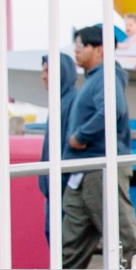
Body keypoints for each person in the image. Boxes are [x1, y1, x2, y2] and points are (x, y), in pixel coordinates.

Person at [62, 25, 136, 269]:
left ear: (99, 50)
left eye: (81, 46)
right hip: (87, 170)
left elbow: (112, 109)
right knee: (71, 242)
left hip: (99, 168)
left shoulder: (106, 76)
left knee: (126, 237)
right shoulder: (96, 78)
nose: (76, 51)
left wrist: (80, 136)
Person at [36, 51, 80, 243]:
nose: (43, 76)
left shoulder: (71, 103)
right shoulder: (59, 103)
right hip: (54, 189)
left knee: (60, 241)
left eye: (47, 71)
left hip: (61, 188)